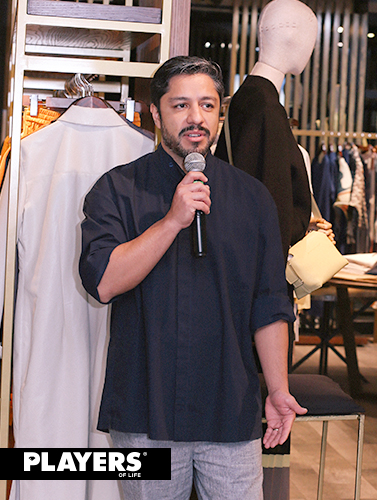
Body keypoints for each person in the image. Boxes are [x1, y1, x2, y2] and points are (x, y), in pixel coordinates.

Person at [79, 56, 307, 500]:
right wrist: (172, 221)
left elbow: (269, 304)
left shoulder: (253, 197)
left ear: (220, 113)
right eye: (180, 105)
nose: (196, 118)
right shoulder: (117, 189)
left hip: (230, 405)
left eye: (207, 105)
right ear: (155, 112)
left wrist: (278, 388)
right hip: (145, 407)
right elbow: (103, 282)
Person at [214, 0, 333, 262]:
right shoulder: (266, 108)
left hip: (240, 255)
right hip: (260, 268)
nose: (312, 49)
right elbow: (272, 206)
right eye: (312, 39)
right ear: (294, 38)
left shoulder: (247, 98)